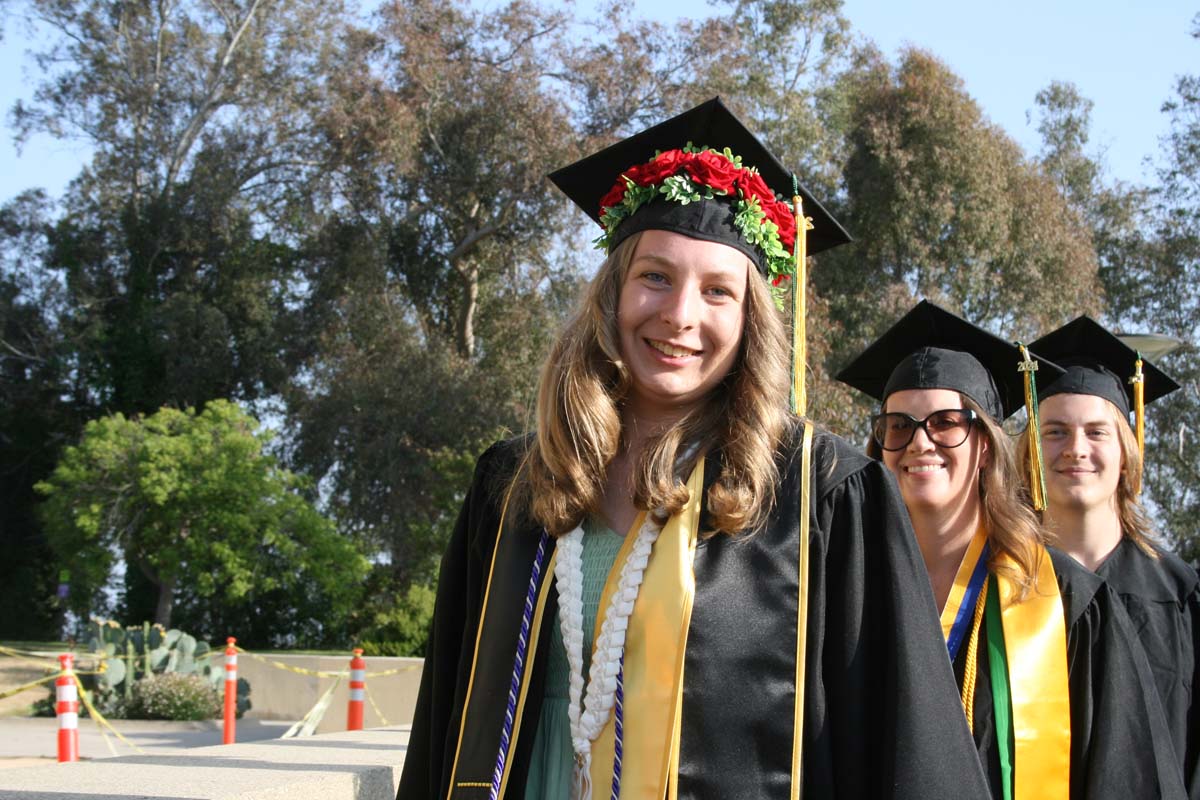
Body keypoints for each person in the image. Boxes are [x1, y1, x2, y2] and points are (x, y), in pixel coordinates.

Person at [396, 99, 992, 799]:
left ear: (749, 321)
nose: (679, 315)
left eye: (718, 291)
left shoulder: (822, 493)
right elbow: (444, 720)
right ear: (613, 293)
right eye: (655, 276)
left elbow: (903, 745)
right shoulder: (515, 482)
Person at [835, 300, 1187, 800]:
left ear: (984, 445)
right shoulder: (843, 589)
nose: (920, 442)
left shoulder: (1070, 604)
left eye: (947, 422)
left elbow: (1123, 777)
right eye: (899, 425)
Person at [1021, 315, 1198, 797]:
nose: (1075, 449)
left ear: (1126, 452)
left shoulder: (1181, 597)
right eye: (1055, 431)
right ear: (1031, 450)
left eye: (1097, 432)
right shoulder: (1002, 585)